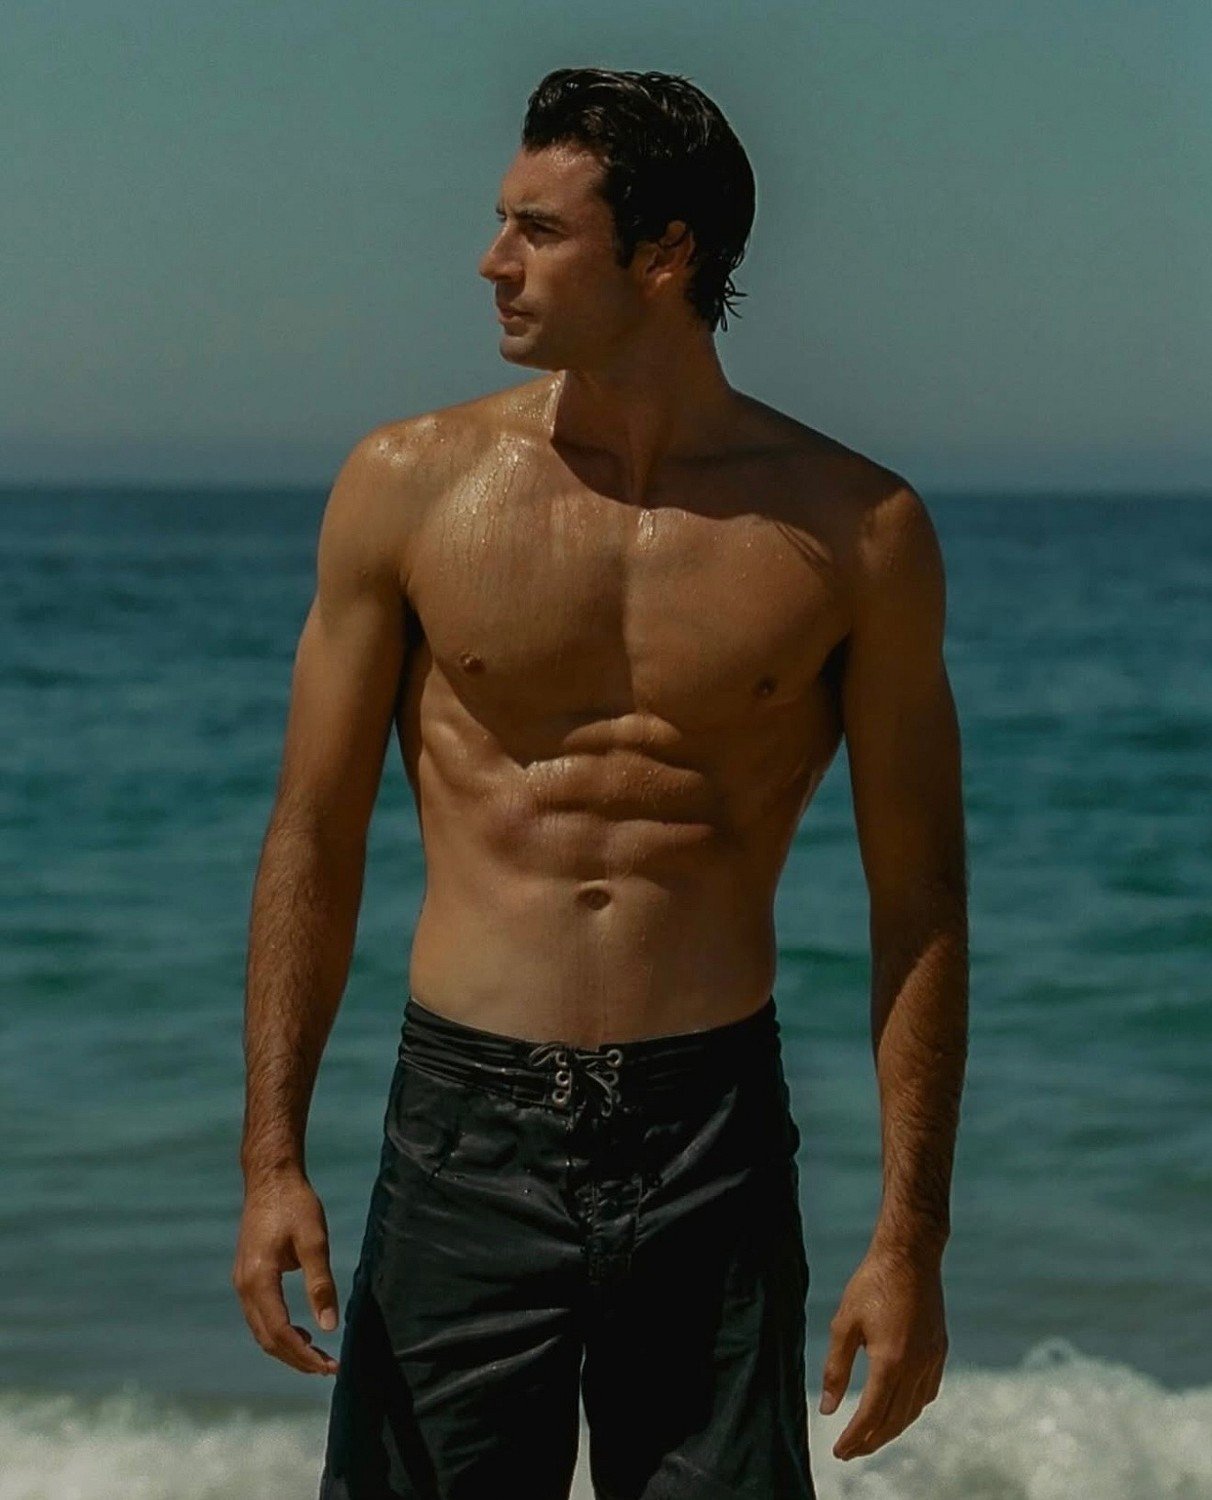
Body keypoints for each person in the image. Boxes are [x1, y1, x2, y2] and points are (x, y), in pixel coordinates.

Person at [232, 66, 968, 1500]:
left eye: (539, 230)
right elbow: (313, 836)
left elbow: (922, 898)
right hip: (464, 1123)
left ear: (665, 252)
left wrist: (911, 1241)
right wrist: (271, 1163)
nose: (491, 261)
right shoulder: (410, 484)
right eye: (501, 221)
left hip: (711, 1131)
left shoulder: (859, 531)